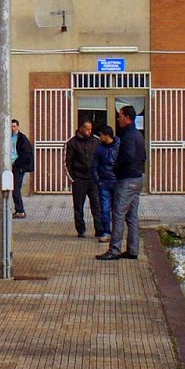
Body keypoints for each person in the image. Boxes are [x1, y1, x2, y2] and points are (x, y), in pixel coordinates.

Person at [98, 105, 146, 260]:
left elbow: (128, 157)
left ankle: (114, 249)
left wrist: (117, 169)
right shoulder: (137, 134)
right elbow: (143, 156)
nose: (118, 119)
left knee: (118, 214)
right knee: (132, 216)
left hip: (127, 179)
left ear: (127, 118)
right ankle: (133, 249)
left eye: (120, 116)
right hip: (138, 177)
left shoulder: (128, 136)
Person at [64, 118, 102, 238]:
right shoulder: (71, 143)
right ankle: (81, 230)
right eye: (87, 129)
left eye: (90, 129)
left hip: (93, 178)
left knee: (97, 205)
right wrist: (72, 178)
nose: (89, 131)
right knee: (78, 206)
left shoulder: (96, 141)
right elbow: (67, 162)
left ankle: (99, 229)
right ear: (80, 128)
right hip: (79, 179)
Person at [92, 125, 118, 246]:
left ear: (106, 135)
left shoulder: (118, 147)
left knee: (117, 209)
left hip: (116, 181)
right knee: (105, 209)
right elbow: (94, 166)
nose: (99, 137)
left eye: (101, 135)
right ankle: (107, 232)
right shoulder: (99, 149)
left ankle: (116, 232)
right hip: (104, 182)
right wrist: (99, 181)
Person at [8, 119, 34, 218]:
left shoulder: (22, 138)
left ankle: (20, 210)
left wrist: (19, 163)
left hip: (18, 166)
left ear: (18, 127)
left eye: (14, 126)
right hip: (10, 165)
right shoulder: (7, 137)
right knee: (10, 188)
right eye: (11, 126)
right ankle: (17, 209)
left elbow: (27, 153)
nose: (12, 128)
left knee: (16, 188)